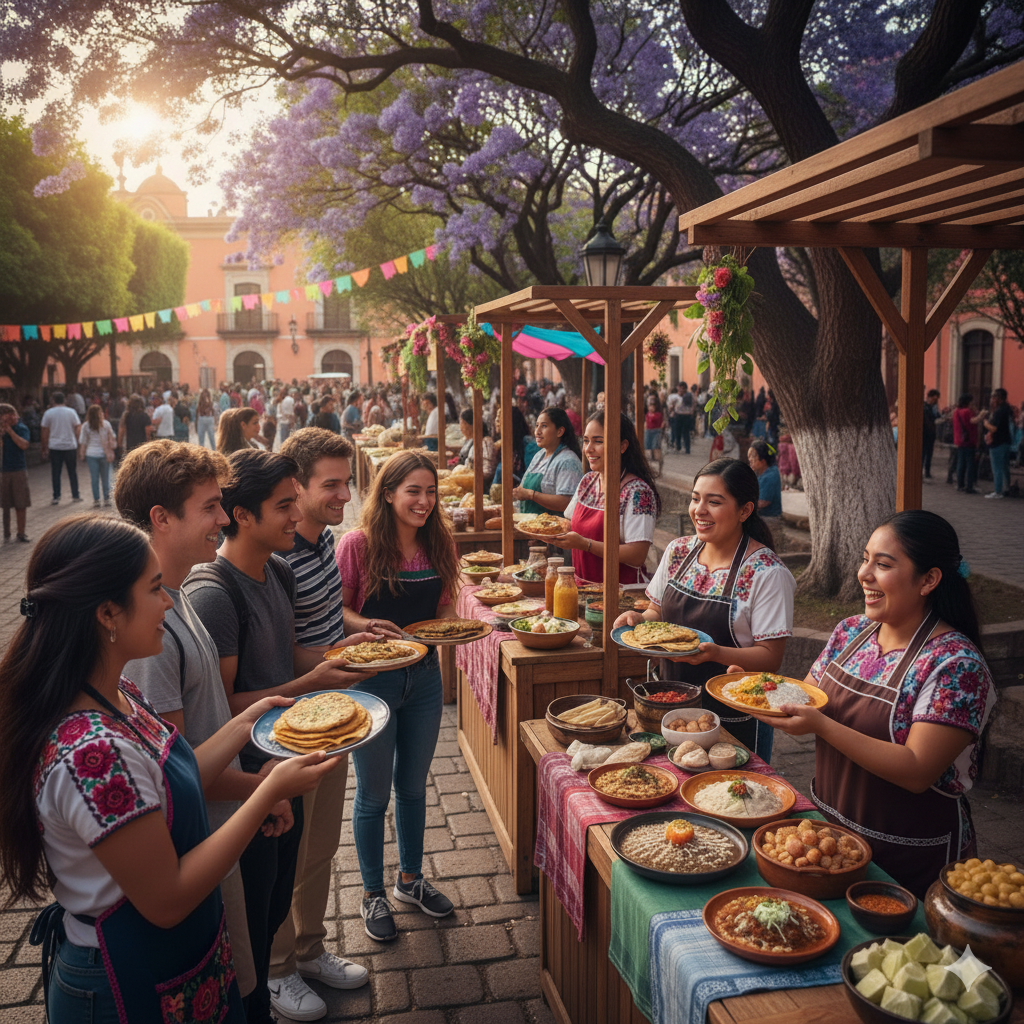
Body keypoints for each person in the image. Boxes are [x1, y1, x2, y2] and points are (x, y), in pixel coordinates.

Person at [1, 515, 338, 1022]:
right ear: (108, 613)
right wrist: (266, 795)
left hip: (170, 962)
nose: (167, 602)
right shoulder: (93, 755)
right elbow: (168, 898)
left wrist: (250, 719)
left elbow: (170, 778)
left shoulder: (118, 692)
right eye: (155, 588)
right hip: (121, 980)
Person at [182, 449, 372, 1024]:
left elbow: (284, 658)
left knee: (306, 861)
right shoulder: (215, 592)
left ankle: (303, 956)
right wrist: (312, 680)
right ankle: (272, 976)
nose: (298, 515)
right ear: (242, 515)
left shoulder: (279, 569)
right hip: (254, 770)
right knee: (262, 895)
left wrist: (346, 655)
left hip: (300, 744)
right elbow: (224, 703)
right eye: (285, 504)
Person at [751, 511, 995, 898]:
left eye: (883, 564)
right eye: (866, 559)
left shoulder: (955, 664)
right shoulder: (851, 632)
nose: (864, 573)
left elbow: (917, 769)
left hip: (908, 857)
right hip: (825, 840)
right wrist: (752, 689)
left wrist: (821, 726)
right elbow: (804, 698)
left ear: (929, 579)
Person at [336, 451, 460, 942]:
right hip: (373, 680)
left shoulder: (441, 542)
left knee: (412, 786)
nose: (424, 501)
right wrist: (366, 624)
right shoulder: (358, 545)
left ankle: (410, 880)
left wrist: (447, 630)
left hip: (425, 677)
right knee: (371, 793)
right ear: (387, 493)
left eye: (431, 492)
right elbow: (340, 608)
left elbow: (446, 605)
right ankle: (371, 894)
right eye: (414, 491)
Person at [268, 427, 369, 1018]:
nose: (343, 493)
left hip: (338, 711)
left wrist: (361, 631)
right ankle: (278, 968)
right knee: (291, 848)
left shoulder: (324, 539)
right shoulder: (276, 558)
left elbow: (328, 621)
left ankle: (309, 950)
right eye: (331, 484)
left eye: (346, 480)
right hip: (296, 721)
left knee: (322, 844)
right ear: (297, 488)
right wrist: (342, 661)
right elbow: (284, 654)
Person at [613, 458, 795, 761]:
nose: (699, 509)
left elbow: (770, 657)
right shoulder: (678, 552)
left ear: (744, 510)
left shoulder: (767, 573)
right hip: (667, 706)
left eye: (714, 502)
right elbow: (657, 613)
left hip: (731, 718)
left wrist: (716, 653)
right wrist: (639, 621)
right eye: (696, 498)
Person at [555, 412, 660, 584]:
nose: (589, 449)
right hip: (582, 588)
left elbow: (637, 555)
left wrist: (586, 544)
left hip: (622, 596)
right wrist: (551, 532)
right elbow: (570, 524)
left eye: (598, 441)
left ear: (622, 446)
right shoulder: (587, 481)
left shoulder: (638, 493)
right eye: (586, 440)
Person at [512, 408, 583, 515]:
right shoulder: (539, 455)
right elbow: (523, 488)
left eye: (544, 426)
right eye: (537, 426)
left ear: (560, 431)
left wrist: (531, 494)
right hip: (530, 525)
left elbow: (567, 503)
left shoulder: (568, 461)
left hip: (554, 528)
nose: (538, 431)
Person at [40, 390, 82, 505]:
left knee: (56, 472)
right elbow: (78, 427)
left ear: (53, 400)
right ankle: (75, 495)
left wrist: (44, 447)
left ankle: (56, 496)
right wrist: (79, 442)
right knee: (72, 471)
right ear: (64, 400)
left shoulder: (48, 413)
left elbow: (44, 431)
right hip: (70, 445)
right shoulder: (71, 412)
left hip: (55, 446)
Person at [1, 402, 31, 543]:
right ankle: (6, 532)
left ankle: (21, 533)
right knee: (5, 505)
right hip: (3, 471)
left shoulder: (21, 428)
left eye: (11, 416)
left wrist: (10, 431)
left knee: (21, 503)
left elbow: (24, 445)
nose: (10, 419)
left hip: (19, 469)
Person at [78, 404, 116, 507]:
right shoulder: (106, 424)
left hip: (91, 454)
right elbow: (112, 438)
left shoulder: (86, 426)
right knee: (105, 478)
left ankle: (96, 500)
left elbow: (83, 442)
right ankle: (107, 499)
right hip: (104, 454)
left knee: (94, 478)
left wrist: (82, 454)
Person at [982, 388, 1012, 499]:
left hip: (997, 442)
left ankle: (998, 491)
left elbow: (994, 428)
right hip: (1006, 441)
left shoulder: (999, 412)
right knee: (1005, 467)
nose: (992, 399)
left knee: (997, 468)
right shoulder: (1008, 409)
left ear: (999, 398)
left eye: (994, 397)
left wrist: (985, 423)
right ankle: (1006, 488)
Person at [457, 408, 496, 488]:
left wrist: (468, 477)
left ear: (469, 425)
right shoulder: (473, 441)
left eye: (461, 423)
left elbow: (488, 471)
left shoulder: (485, 442)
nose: (460, 428)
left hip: (480, 488)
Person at [952, 394, 980, 494]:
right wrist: (981, 415)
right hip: (969, 441)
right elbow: (973, 421)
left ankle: (960, 484)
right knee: (970, 464)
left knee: (961, 463)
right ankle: (969, 486)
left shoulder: (956, 412)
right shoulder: (967, 411)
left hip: (959, 440)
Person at [922, 389, 941, 479]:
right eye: (934, 399)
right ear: (929, 398)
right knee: (923, 454)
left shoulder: (933, 407)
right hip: (924, 433)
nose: (935, 401)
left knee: (929, 454)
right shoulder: (924, 407)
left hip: (931, 434)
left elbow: (937, 417)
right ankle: (921, 471)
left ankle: (927, 472)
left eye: (936, 400)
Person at [643, 393, 664, 468]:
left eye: (652, 406)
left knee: (656, 447)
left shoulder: (658, 414)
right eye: (649, 406)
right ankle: (649, 463)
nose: (651, 408)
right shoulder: (648, 414)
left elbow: (653, 420)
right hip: (648, 431)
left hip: (656, 431)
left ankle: (659, 463)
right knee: (647, 447)